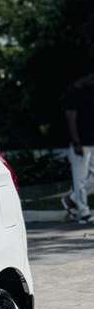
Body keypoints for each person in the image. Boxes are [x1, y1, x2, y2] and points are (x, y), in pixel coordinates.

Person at [62, 74, 94, 223]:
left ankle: (72, 198)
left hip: (92, 142)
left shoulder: (89, 92)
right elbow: (71, 118)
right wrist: (76, 142)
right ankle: (84, 212)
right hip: (80, 143)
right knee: (80, 180)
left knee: (86, 180)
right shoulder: (74, 92)